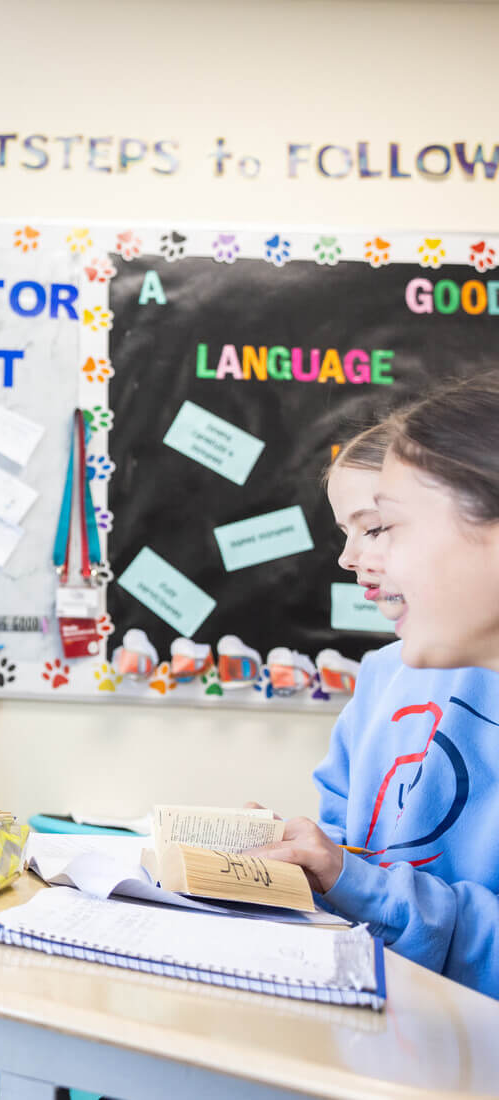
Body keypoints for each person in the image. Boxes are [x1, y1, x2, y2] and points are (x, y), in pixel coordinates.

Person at [252, 394, 499, 999]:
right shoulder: (387, 670)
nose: (358, 560)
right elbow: (348, 839)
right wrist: (321, 865)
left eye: (384, 526)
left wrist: (355, 882)